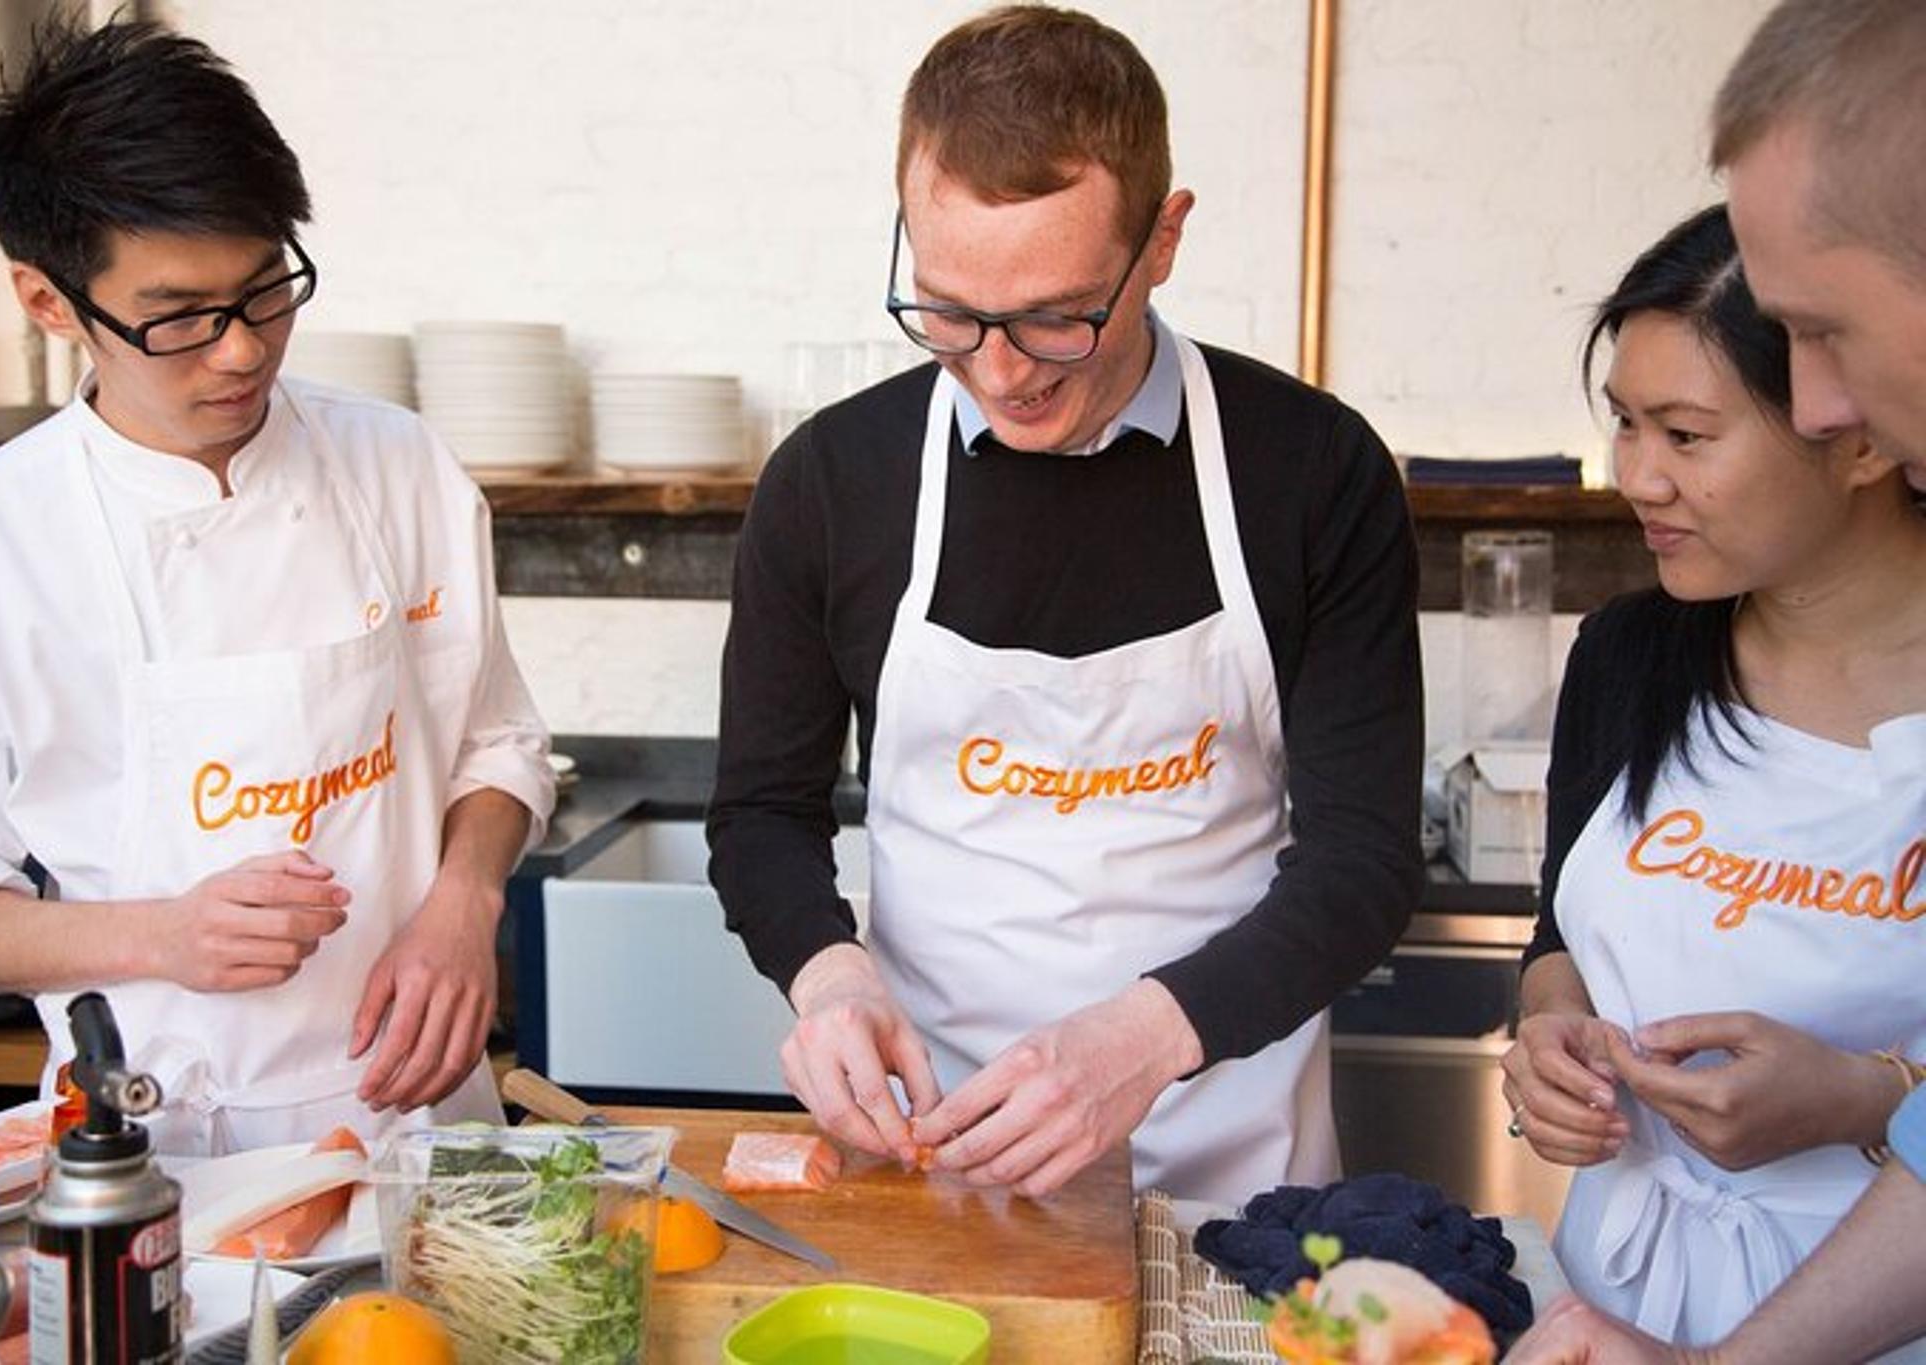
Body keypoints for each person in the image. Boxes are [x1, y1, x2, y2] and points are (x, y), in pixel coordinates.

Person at [707, 4, 1422, 1204]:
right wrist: (827, 978)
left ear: (1162, 239)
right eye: (947, 310)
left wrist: (1142, 1041)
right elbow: (760, 814)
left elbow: (1360, 863)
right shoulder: (833, 484)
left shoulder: (1310, 470)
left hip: (1225, 1160)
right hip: (938, 1146)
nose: (998, 371)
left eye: (1056, 315)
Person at [0, 18, 555, 1155]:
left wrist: (463, 901)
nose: (241, 350)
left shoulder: (401, 467)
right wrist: (159, 938)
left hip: (426, 1128)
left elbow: (494, 745)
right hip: (158, 1143)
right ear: (48, 302)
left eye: (264, 290)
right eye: (180, 316)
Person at [1509, 1, 1926, 1361]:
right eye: (1623, 424)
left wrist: (1872, 1096)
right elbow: (1562, 944)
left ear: (1852, 441)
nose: (1637, 477)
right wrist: (1552, 1038)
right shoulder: (1633, 656)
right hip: (1617, 1302)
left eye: (1686, 432)